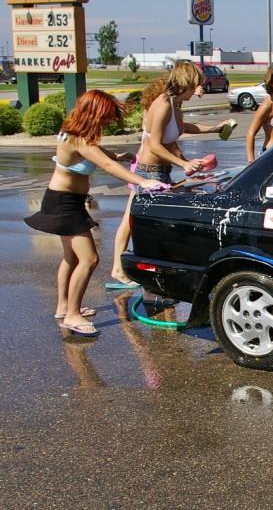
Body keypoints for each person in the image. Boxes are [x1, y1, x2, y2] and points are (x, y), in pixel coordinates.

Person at [24, 90, 167, 337]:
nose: (106, 123)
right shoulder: (77, 139)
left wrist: (119, 155)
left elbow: (100, 154)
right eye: (105, 118)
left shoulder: (76, 135)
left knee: (71, 258)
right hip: (64, 204)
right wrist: (142, 182)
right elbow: (107, 166)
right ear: (94, 113)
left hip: (67, 201)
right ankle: (72, 315)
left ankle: (63, 307)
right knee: (89, 259)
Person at [108, 61, 230, 289]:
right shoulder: (163, 103)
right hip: (148, 171)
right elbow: (154, 145)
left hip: (162, 171)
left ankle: (144, 268)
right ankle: (119, 268)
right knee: (133, 221)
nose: (198, 90)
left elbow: (182, 129)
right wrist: (183, 163)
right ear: (185, 82)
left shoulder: (175, 104)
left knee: (144, 221)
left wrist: (214, 128)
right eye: (195, 85)